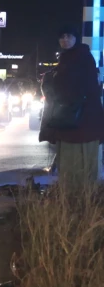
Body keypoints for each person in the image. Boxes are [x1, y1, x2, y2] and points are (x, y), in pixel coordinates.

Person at [39, 25, 104, 189]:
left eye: (69, 36)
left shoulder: (80, 57)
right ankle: (80, 200)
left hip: (79, 120)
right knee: (76, 164)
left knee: (75, 165)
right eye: (62, 37)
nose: (65, 40)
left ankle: (77, 200)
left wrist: (52, 81)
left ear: (76, 38)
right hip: (76, 119)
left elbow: (74, 86)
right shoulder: (70, 57)